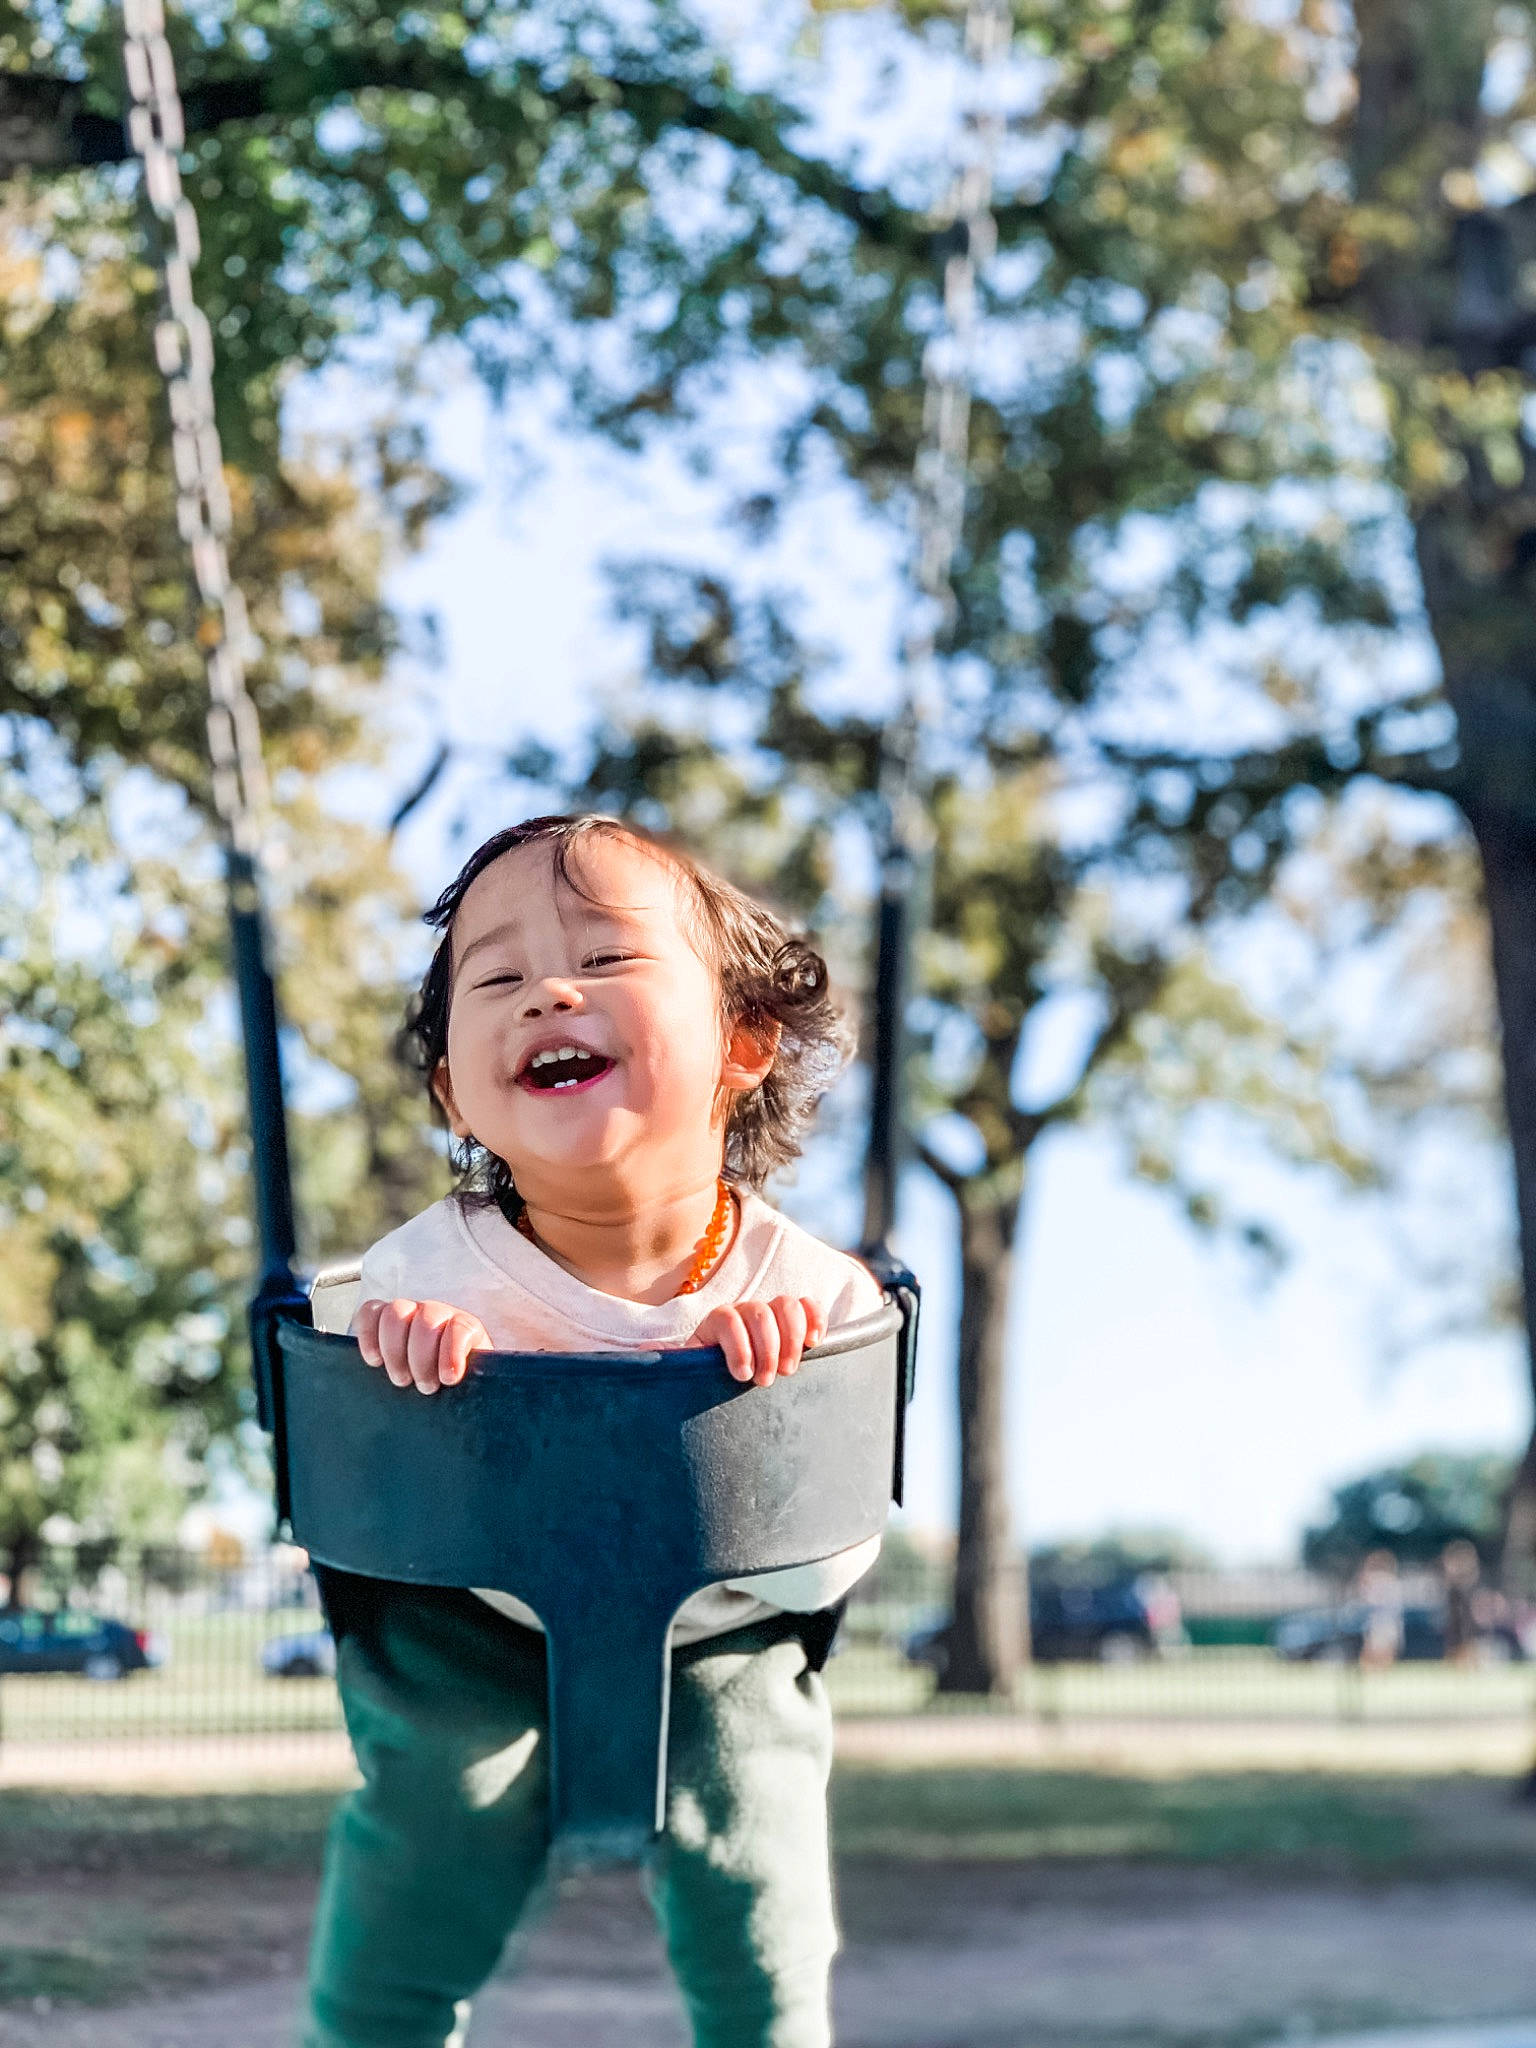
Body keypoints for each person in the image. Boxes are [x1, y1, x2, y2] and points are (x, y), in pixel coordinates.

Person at [303, 813, 886, 2048]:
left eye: (608, 958)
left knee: (762, 1852)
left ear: (744, 1039)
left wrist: (776, 1415)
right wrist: (390, 1342)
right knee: (427, 1825)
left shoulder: (815, 1293)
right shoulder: (420, 1270)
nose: (548, 992)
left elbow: (828, 1561)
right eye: (497, 977)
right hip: (477, 1630)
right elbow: (338, 1406)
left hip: (722, 1638)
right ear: (454, 1090)